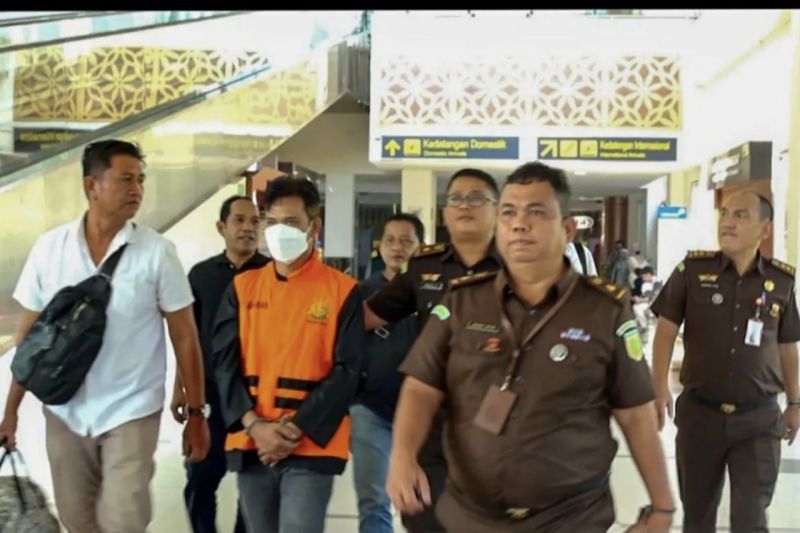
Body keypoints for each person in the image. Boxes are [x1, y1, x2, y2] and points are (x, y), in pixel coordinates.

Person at [386, 161, 675, 533]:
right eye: (508, 212)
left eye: (536, 212)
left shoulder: (604, 310)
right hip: (470, 518)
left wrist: (662, 506)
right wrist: (402, 457)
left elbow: (635, 414)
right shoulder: (462, 301)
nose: (519, 224)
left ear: (567, 229)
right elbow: (420, 387)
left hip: (571, 519)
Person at [0, 139, 210, 533]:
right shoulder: (50, 249)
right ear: (91, 186)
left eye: (141, 180)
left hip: (131, 408)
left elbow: (185, 335)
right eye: (126, 179)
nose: (137, 189)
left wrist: (197, 414)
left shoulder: (157, 252)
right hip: (65, 408)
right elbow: (29, 338)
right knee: (76, 518)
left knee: (123, 518)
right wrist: (11, 410)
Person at [212, 176, 365, 533]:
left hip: (311, 442)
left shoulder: (342, 291)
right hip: (253, 440)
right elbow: (223, 362)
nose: (281, 231)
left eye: (292, 222)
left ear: (314, 228)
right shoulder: (242, 288)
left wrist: (294, 427)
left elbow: (348, 370)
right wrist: (255, 426)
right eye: (274, 221)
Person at [650, 191, 800, 533]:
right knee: (697, 514)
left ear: (765, 229)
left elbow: (787, 345)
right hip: (700, 415)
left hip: (759, 418)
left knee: (751, 517)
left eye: (741, 215)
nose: (728, 223)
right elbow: (665, 332)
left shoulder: (781, 281)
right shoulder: (692, 271)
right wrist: (658, 387)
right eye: (725, 214)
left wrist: (794, 403)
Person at [364, 168, 502, 532]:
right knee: (426, 517)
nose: (464, 206)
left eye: (476, 198)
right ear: (445, 212)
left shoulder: (519, 266)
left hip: (497, 424)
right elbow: (368, 316)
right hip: (433, 420)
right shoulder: (424, 265)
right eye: (456, 198)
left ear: (497, 208)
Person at [174, 195, 269, 533]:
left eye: (254, 222)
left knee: (254, 486)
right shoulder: (201, 276)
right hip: (210, 395)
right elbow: (188, 337)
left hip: (257, 398)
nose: (248, 228)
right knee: (200, 477)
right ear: (221, 227)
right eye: (239, 220)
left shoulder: (272, 274)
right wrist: (180, 388)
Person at [351, 213, 424, 533]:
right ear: (380, 247)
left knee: (422, 500)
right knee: (374, 500)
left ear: (420, 246)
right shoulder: (361, 294)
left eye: (407, 241)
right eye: (391, 240)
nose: (398, 247)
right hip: (371, 409)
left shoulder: (435, 292)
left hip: (425, 413)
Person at [631, 266, 656, 344]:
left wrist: (640, 300)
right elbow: (646, 296)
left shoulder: (654, 283)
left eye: (643, 276)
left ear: (648, 274)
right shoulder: (648, 283)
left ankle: (644, 327)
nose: (643, 279)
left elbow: (651, 298)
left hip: (654, 305)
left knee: (637, 307)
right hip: (650, 303)